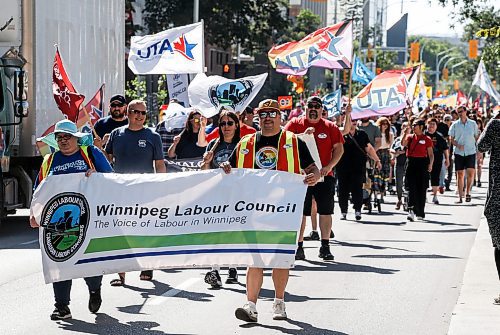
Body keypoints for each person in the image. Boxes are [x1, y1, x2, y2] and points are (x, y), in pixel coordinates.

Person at [221, 99, 320, 322]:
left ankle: (279, 302)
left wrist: (315, 176)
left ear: (279, 117)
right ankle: (251, 305)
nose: (267, 117)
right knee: (254, 259)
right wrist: (225, 167)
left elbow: (315, 168)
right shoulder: (246, 143)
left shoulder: (294, 142)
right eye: (263, 113)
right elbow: (229, 167)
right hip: (253, 211)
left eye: (272, 113)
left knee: (279, 258)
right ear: (258, 117)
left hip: (284, 212)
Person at [30, 120, 113, 320]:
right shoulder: (49, 160)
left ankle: (94, 290)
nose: (63, 141)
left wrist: (97, 176)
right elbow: (38, 189)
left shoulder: (91, 154)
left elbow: (112, 179)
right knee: (59, 260)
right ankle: (61, 306)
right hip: (58, 220)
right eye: (59, 137)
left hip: (89, 217)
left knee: (88, 258)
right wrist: (34, 213)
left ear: (76, 138)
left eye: (67, 137)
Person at [105, 99, 166, 285]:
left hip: (145, 191)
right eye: (135, 112)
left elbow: (160, 165)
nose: (139, 116)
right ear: (128, 113)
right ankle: (120, 272)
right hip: (120, 191)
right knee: (121, 232)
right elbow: (107, 160)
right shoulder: (116, 134)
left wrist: (161, 187)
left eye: (143, 113)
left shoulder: (152, 136)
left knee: (144, 230)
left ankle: (147, 266)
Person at [285, 96, 344, 261]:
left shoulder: (330, 127)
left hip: (325, 176)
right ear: (305, 108)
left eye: (317, 106)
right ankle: (298, 246)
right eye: (310, 106)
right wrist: (302, 135)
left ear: (322, 109)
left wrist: (329, 166)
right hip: (300, 177)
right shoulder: (295, 124)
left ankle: (325, 246)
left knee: (325, 211)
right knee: (300, 213)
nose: (313, 109)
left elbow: (339, 149)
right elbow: (284, 142)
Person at [200, 110, 241, 288]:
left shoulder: (242, 145)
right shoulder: (213, 145)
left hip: (237, 195)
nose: (226, 127)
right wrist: (207, 162)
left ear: (236, 125)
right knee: (215, 232)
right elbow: (204, 173)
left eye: (229, 123)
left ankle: (232, 267)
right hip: (216, 195)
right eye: (222, 124)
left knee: (233, 232)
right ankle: (215, 269)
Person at [477, 112, 500, 304]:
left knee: (499, 244)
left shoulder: (495, 125)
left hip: (498, 195)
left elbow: (481, 146)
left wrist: (492, 121)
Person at [337, 122, 381, 220]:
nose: (354, 122)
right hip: (342, 167)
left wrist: (377, 160)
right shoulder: (340, 133)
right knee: (343, 190)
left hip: (358, 167)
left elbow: (369, 148)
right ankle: (343, 211)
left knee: (357, 189)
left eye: (355, 120)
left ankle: (358, 210)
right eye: (352, 120)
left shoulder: (362, 134)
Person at [402, 119, 434, 221]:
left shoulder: (427, 139)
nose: (413, 127)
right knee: (412, 188)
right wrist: (405, 133)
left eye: (415, 125)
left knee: (421, 188)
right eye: (413, 125)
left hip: (422, 164)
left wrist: (430, 164)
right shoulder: (410, 137)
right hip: (411, 163)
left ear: (421, 127)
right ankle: (411, 210)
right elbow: (403, 144)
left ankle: (420, 211)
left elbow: (431, 154)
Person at [449, 106, 479, 203]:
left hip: (471, 151)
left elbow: (477, 137)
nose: (460, 114)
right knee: (460, 174)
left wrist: (479, 151)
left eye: (461, 111)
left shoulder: (473, 124)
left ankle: (468, 193)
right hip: (459, 152)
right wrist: (457, 145)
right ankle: (460, 197)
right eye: (458, 112)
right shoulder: (455, 124)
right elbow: (451, 139)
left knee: (470, 173)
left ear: (466, 112)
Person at [425, 118, 449, 204]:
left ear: (436, 126)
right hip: (424, 160)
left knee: (435, 178)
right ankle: (423, 195)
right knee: (424, 178)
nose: (431, 126)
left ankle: (435, 196)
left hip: (437, 160)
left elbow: (445, 149)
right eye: (430, 124)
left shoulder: (440, 136)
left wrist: (447, 159)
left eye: (433, 124)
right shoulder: (423, 135)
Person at [373, 117, 394, 203]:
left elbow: (390, 146)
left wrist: (392, 155)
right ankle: (375, 194)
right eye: (383, 124)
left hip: (386, 154)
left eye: (386, 124)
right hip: (377, 153)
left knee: (385, 174)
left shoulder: (390, 134)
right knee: (376, 174)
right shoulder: (376, 134)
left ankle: (382, 194)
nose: (385, 126)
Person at [390, 122, 409, 210]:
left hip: (408, 163)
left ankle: (407, 201)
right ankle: (399, 199)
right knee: (399, 183)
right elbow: (391, 148)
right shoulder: (397, 139)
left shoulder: (411, 139)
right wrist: (396, 152)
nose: (405, 129)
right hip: (399, 163)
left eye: (407, 127)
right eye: (404, 127)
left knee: (407, 183)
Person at [475, 118, 484, 187]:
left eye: (479, 123)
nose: (477, 125)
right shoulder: (473, 131)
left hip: (480, 150)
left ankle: (479, 180)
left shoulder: (483, 131)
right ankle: (474, 179)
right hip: (473, 149)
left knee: (479, 165)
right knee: (473, 166)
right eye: (476, 123)